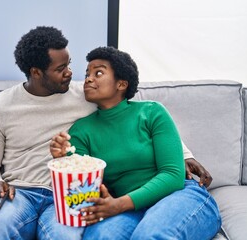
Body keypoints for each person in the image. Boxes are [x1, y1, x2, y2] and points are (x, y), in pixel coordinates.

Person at [0, 26, 213, 240]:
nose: (73, 74)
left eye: (70, 64)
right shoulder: (0, 109)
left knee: (67, 235)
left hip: (71, 196)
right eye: (61, 68)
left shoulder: (86, 95)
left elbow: (136, 117)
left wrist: (183, 154)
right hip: (23, 192)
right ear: (36, 72)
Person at [50, 46, 222, 240]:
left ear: (121, 84)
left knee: (150, 235)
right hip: (127, 208)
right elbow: (83, 186)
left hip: (178, 196)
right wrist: (64, 158)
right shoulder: (80, 131)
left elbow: (173, 175)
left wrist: (120, 204)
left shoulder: (151, 112)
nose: (88, 79)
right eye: (87, 73)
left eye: (98, 72)